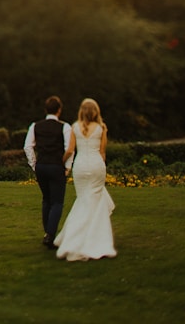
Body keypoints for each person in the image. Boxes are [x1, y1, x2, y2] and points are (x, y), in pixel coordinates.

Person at [54, 98, 117, 261]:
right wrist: (100, 165)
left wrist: (61, 161)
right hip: (96, 165)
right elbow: (103, 152)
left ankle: (75, 238)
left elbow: (70, 150)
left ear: (81, 111)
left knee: (83, 200)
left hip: (81, 166)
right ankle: (96, 238)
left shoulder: (75, 127)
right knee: (95, 201)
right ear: (96, 111)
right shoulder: (101, 127)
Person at [23, 96, 74, 249]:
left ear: (46, 110)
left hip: (42, 166)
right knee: (57, 201)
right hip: (56, 166)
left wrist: (34, 164)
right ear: (59, 110)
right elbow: (69, 149)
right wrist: (67, 167)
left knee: (46, 200)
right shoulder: (65, 127)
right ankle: (50, 235)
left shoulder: (35, 126)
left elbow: (27, 146)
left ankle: (47, 232)